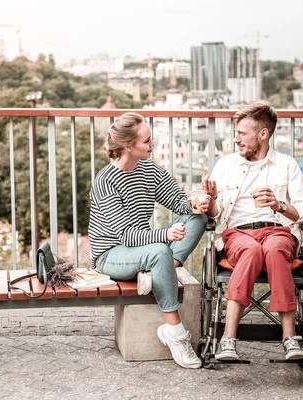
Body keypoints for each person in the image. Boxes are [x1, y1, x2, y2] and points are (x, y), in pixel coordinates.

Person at [89, 112, 208, 369]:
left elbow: (178, 203)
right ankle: (174, 331)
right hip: (112, 254)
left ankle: (162, 267)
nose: (152, 144)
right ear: (128, 146)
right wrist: (165, 235)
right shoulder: (106, 181)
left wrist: (199, 203)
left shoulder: (149, 169)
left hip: (144, 248)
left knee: (198, 218)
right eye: (147, 141)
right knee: (157, 251)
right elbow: (127, 236)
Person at [202, 101, 303, 361]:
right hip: (239, 234)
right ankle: (228, 340)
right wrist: (211, 201)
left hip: (277, 231)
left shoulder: (286, 165)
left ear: (263, 134)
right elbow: (216, 215)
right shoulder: (226, 165)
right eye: (236, 133)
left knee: (274, 250)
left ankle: (290, 339)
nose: (236, 139)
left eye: (242, 133)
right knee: (252, 251)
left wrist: (279, 204)